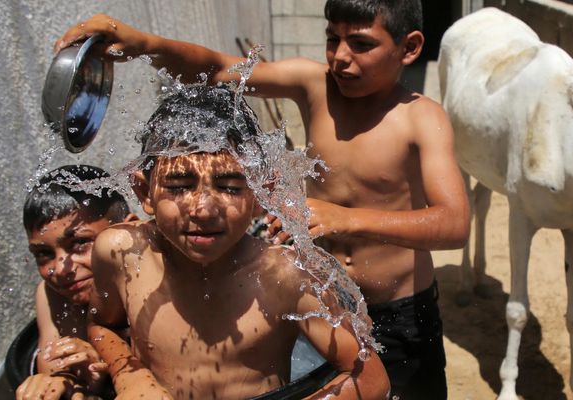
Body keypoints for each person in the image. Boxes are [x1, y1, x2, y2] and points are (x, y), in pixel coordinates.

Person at [57, 1, 469, 397]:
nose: (341, 57)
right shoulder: (316, 86)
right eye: (332, 39)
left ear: (410, 47)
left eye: (361, 44)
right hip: (317, 303)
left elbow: (454, 225)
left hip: (397, 309)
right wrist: (145, 44)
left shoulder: (420, 117)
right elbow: (217, 69)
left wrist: (346, 219)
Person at [86, 86, 389, 399]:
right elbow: (101, 325)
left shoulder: (285, 276)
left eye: (229, 187)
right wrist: (129, 375)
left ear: (260, 195)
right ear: (144, 192)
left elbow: (370, 379)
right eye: (178, 186)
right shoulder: (122, 253)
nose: (203, 209)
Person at [17, 164, 134, 400]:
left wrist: (107, 365)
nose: (61, 269)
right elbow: (52, 368)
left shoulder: (155, 282)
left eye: (80, 243)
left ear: (128, 231)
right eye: (44, 254)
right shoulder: (52, 295)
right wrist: (78, 380)